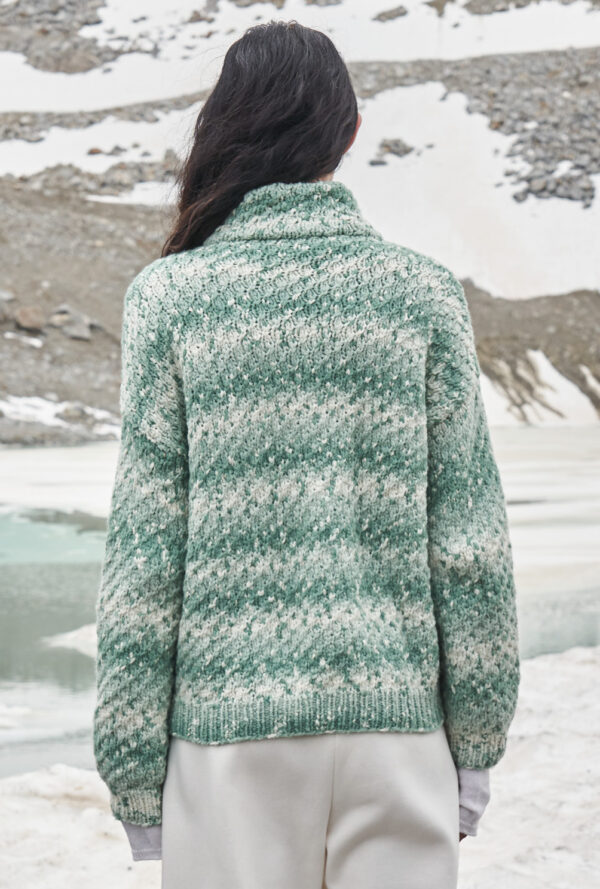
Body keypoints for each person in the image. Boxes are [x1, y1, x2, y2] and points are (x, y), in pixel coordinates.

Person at [93, 19, 520, 889]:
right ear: (348, 132)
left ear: (225, 128)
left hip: (225, 744)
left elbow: (145, 557)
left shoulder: (170, 299)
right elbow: (469, 543)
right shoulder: (423, 295)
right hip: (398, 731)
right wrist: (475, 744)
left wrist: (134, 772)